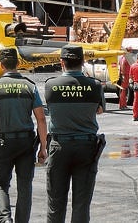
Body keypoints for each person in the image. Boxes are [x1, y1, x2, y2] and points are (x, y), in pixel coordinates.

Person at [0, 48, 48, 223]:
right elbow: (41, 119)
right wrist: (43, 147)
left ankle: (5, 219)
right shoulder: (30, 86)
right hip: (26, 142)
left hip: (4, 142)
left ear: (1, 65)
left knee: (0, 183)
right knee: (24, 186)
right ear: (18, 64)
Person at [44, 44, 106, 222]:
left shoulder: (51, 85)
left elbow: (51, 107)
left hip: (59, 146)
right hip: (86, 146)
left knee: (56, 202)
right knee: (81, 203)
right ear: (83, 61)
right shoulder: (95, 85)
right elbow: (100, 110)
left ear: (61, 62)